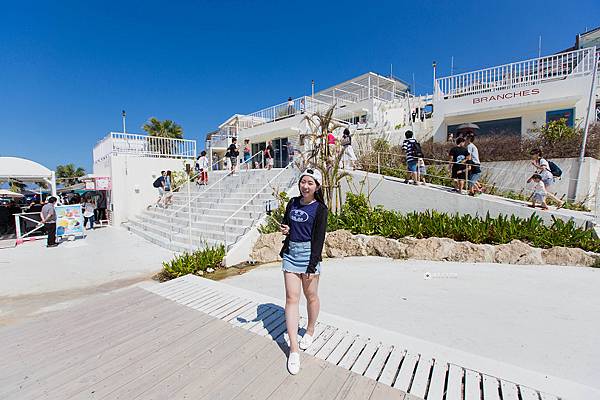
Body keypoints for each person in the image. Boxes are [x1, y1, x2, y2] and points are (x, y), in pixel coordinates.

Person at [279, 168, 328, 375]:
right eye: (303, 182)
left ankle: (309, 330)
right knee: (291, 298)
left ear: (317, 186)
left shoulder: (320, 209)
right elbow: (287, 224)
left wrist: (311, 264)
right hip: (291, 253)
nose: (305, 186)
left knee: (311, 296)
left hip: (309, 255)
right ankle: (294, 349)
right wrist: (285, 229)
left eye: (310, 183)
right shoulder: (292, 202)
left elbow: (319, 239)